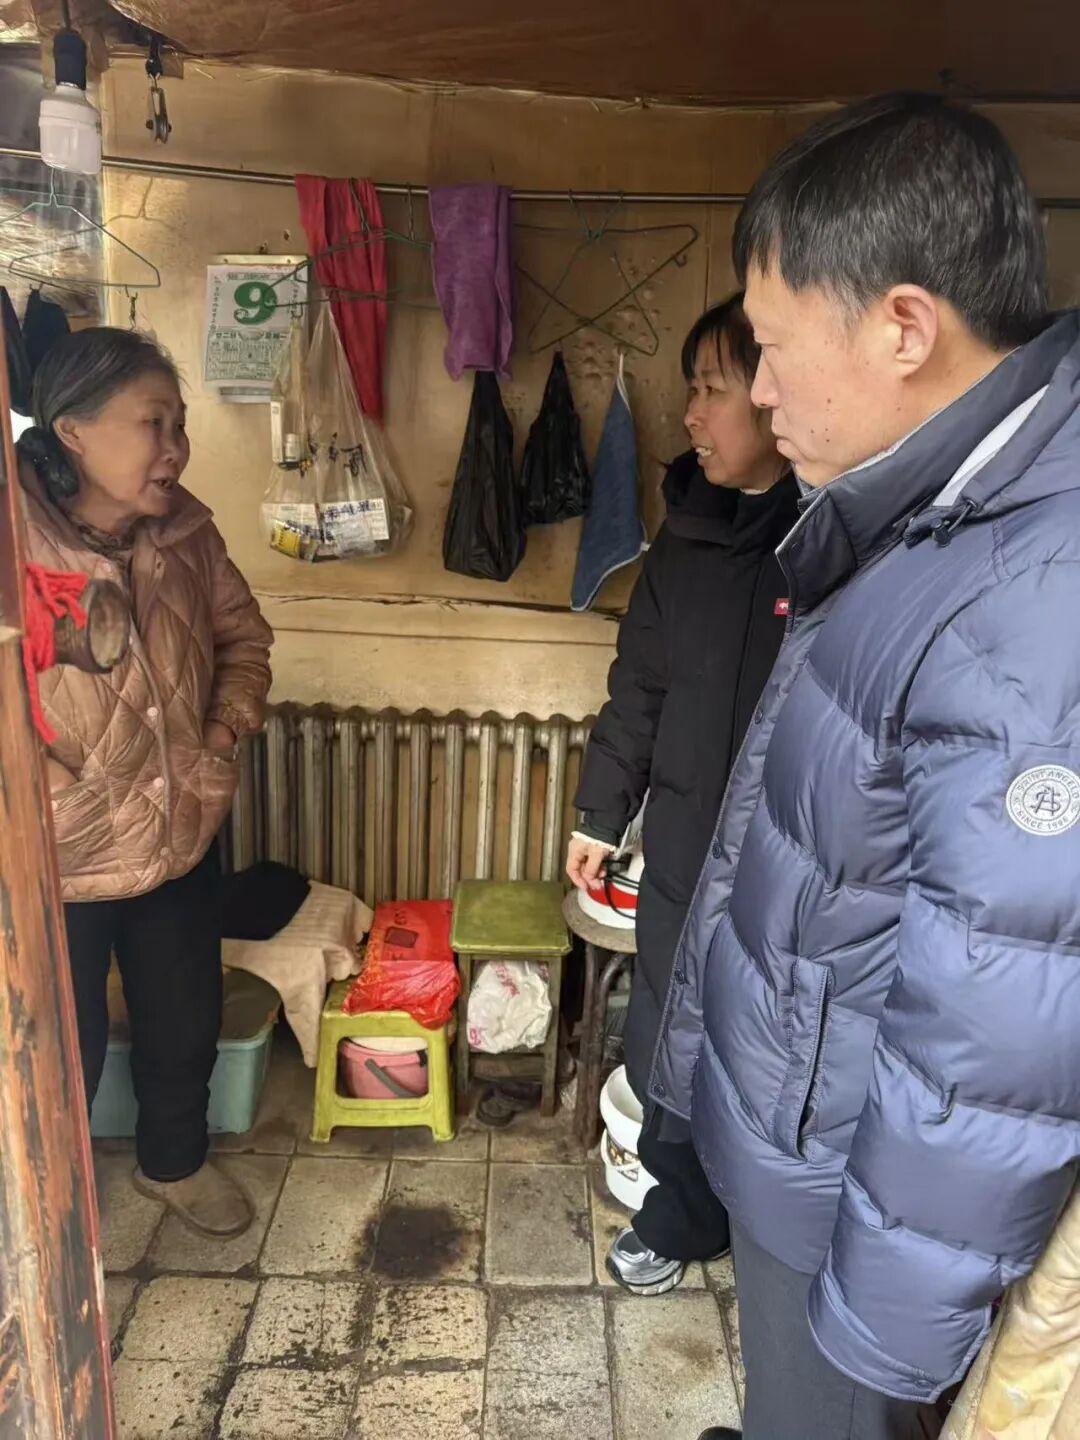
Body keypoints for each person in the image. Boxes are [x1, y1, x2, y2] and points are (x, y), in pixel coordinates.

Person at [645, 95, 1080, 1440]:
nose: (761, 392)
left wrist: (879, 1352)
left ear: (902, 326)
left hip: (859, 1217)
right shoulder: (930, 507)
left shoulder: (1034, 592)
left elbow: (999, 1024)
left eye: (772, 348)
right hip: (813, 1152)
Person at [18, 328, 273, 1238]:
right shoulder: (13, 539)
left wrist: (217, 737)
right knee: (60, 1052)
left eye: (180, 424)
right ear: (73, 430)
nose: (176, 448)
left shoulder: (187, 533)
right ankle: (52, 1222)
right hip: (61, 854)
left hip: (177, 831)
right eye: (152, 423)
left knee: (183, 1020)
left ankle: (175, 1165)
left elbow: (245, 641)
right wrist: (45, 787)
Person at [568, 295, 798, 1294]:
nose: (691, 415)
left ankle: (773, 1237)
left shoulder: (833, 541)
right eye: (690, 391)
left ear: (777, 392)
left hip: (787, 869)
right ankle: (678, 1215)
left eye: (711, 389)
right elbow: (641, 689)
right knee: (665, 1033)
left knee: (769, 1048)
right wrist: (598, 813)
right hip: (684, 847)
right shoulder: (686, 541)